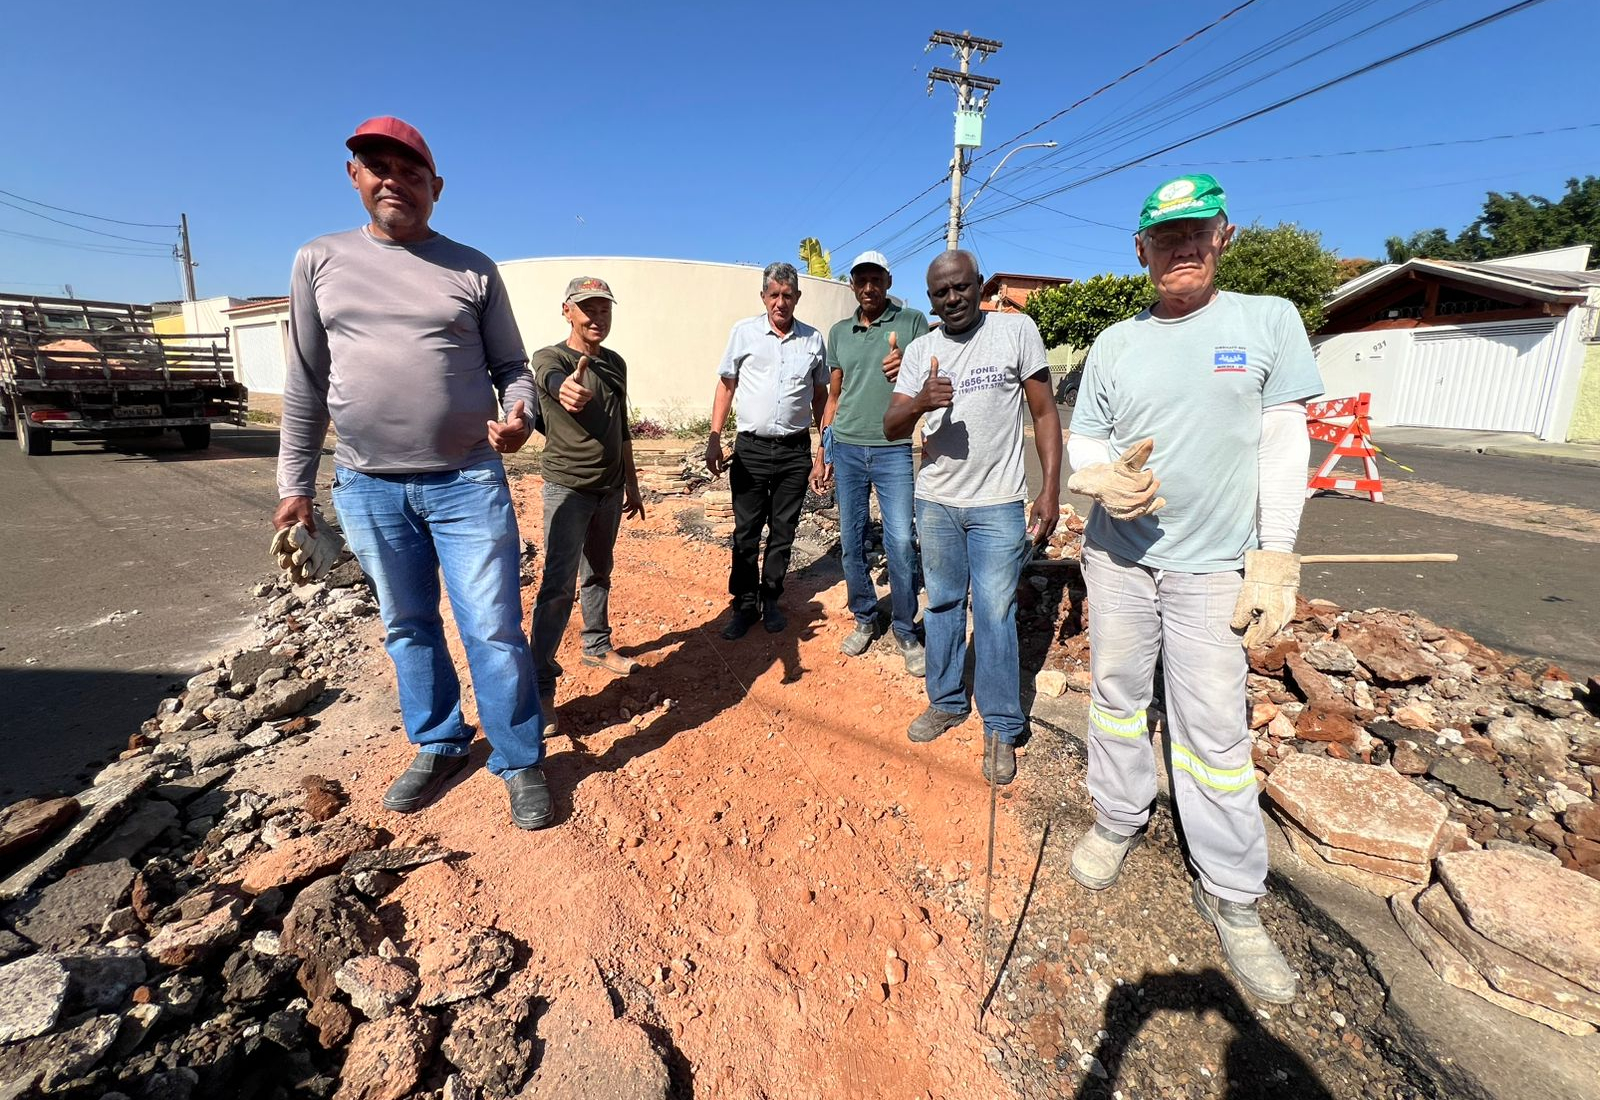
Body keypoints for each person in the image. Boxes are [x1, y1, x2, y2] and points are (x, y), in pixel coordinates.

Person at [1065, 173, 1323, 1004]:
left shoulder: (1266, 321)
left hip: (1215, 567)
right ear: (1139, 250)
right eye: (1164, 235)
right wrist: (1097, 480)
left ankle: (1236, 895)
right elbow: (1084, 439)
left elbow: (1284, 443)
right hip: (1120, 559)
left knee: (1212, 726)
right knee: (1114, 694)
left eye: (1196, 231)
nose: (1181, 246)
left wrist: (1275, 555)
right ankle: (1117, 816)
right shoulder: (1115, 343)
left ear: (1223, 236)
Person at [275, 116, 553, 831]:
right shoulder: (318, 261)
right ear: (355, 177)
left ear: (436, 186)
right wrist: (294, 485)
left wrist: (519, 415)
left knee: (491, 627)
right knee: (408, 624)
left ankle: (520, 759)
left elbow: (513, 370)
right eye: (377, 165)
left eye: (411, 171)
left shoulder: (472, 268)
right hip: (368, 486)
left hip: (467, 480)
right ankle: (439, 742)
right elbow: (306, 381)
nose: (394, 180)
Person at [883, 250, 1062, 785]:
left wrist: (1049, 489)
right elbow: (891, 426)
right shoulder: (921, 351)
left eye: (961, 287)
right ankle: (946, 701)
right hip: (936, 501)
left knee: (995, 612)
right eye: (941, 292)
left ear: (979, 286)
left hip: (998, 503)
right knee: (940, 604)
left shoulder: (1016, 331)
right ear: (930, 298)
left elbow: (1045, 412)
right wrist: (919, 402)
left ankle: (1002, 726)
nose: (952, 298)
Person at [529, 276, 645, 734]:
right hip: (568, 488)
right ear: (567, 311)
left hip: (610, 489)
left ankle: (596, 645)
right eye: (587, 309)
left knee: (599, 569)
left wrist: (632, 484)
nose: (597, 317)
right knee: (558, 585)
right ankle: (539, 682)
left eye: (604, 310)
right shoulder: (550, 358)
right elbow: (552, 381)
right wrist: (565, 388)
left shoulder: (615, 362)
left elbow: (622, 430)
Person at [813, 250, 930, 674]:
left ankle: (904, 627)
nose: (868, 287)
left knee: (899, 541)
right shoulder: (840, 332)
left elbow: (925, 378)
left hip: (893, 448)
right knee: (852, 538)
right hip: (845, 446)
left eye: (875, 279)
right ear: (852, 284)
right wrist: (822, 449)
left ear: (888, 282)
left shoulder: (911, 322)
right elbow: (834, 394)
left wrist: (905, 368)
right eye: (860, 280)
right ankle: (864, 616)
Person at [705, 262, 829, 639]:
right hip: (751, 450)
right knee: (746, 531)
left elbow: (821, 396)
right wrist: (714, 436)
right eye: (774, 294)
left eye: (787, 295)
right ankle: (743, 604)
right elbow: (726, 386)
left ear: (797, 298)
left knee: (783, 530)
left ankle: (770, 598)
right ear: (763, 297)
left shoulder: (813, 340)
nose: (780, 302)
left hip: (794, 452)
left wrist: (823, 448)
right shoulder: (743, 333)